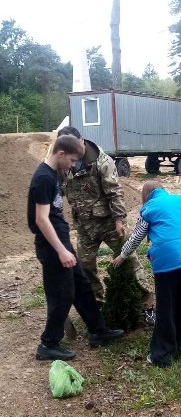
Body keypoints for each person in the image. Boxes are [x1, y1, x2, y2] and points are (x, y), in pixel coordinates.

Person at [27, 135, 124, 361]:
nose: (72, 166)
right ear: (60, 153)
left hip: (60, 240)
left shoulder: (53, 173)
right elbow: (41, 219)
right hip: (51, 245)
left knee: (81, 285)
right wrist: (61, 250)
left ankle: (98, 331)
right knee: (62, 293)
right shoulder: (43, 178)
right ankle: (48, 343)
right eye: (71, 160)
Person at [57, 126, 154, 325]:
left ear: (82, 140)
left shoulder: (102, 161)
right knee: (85, 267)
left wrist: (119, 220)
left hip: (108, 222)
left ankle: (147, 305)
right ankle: (97, 307)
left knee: (129, 259)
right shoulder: (63, 163)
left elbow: (115, 192)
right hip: (84, 226)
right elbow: (57, 190)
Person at [112, 181, 181, 368]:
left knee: (166, 307)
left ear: (146, 195)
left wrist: (122, 256)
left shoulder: (149, 208)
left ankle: (162, 355)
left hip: (167, 261)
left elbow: (136, 237)